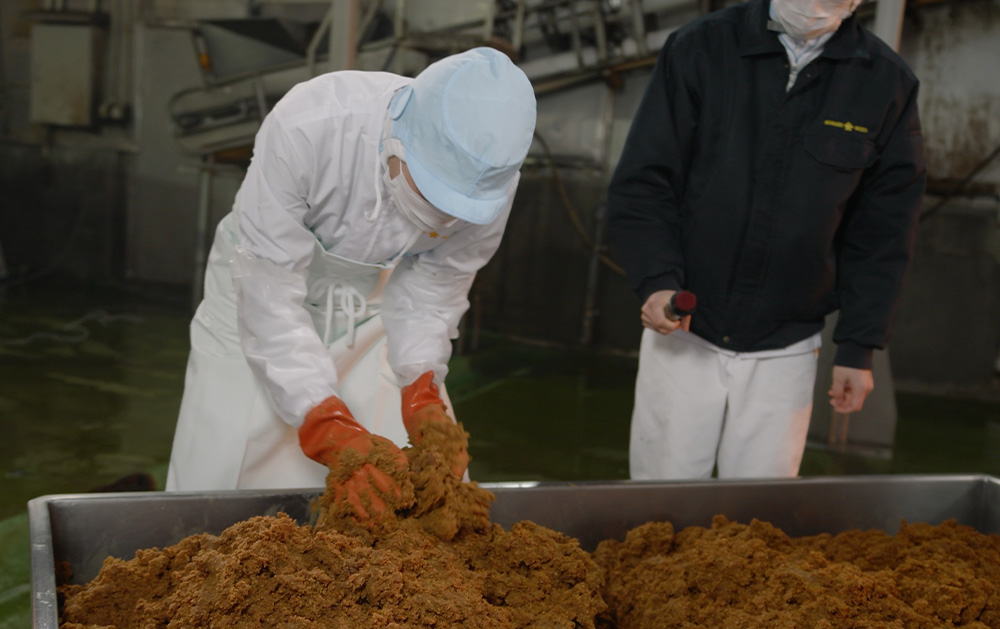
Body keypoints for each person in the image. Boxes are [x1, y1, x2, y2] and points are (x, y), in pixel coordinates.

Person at [166, 47, 537, 509]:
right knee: (225, 460)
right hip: (258, 290)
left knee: (415, 482)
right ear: (400, 139)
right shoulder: (309, 125)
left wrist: (421, 385)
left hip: (379, 309)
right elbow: (271, 292)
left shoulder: (492, 183)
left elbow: (436, 286)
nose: (442, 217)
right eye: (431, 192)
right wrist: (325, 423)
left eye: (457, 209)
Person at [606, 0, 926, 480]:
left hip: (786, 345)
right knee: (658, 508)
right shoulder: (702, 47)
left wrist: (859, 347)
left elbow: (883, 231)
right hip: (688, 332)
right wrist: (656, 279)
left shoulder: (885, 82)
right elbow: (645, 180)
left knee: (758, 519)